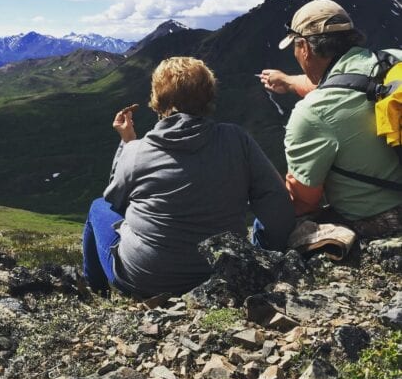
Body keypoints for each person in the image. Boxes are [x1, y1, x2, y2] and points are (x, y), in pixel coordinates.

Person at [82, 57, 295, 298]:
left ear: (157, 99)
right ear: (208, 95)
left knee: (98, 207)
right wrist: (266, 253)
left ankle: (96, 292)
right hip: (223, 270)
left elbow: (115, 200)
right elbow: (274, 199)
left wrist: (127, 142)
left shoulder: (136, 150)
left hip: (146, 280)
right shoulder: (236, 139)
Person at [262, 0, 402, 239]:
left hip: (383, 219)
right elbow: (353, 83)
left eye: (295, 47)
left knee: (263, 227)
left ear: (304, 48)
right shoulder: (392, 59)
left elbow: (304, 203)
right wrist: (289, 81)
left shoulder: (313, 113)